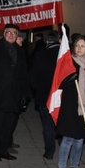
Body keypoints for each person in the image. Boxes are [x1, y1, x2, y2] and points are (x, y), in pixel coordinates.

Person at [0, 23, 30, 161]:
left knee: (9, 125)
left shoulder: (20, 51)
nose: (11, 35)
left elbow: (24, 74)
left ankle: (4, 150)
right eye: (8, 32)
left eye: (14, 33)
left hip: (14, 95)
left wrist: (26, 94)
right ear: (4, 34)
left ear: (17, 36)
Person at [55, 35, 85, 168]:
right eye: (77, 45)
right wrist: (69, 80)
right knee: (68, 139)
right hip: (70, 106)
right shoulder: (69, 62)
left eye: (82, 46)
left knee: (79, 139)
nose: (79, 49)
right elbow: (59, 81)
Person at [29, 31, 60, 159]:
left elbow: (33, 76)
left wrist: (36, 90)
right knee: (60, 122)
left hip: (44, 95)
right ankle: (64, 148)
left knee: (47, 124)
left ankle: (49, 152)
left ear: (47, 41)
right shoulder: (64, 56)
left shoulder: (41, 55)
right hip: (60, 95)